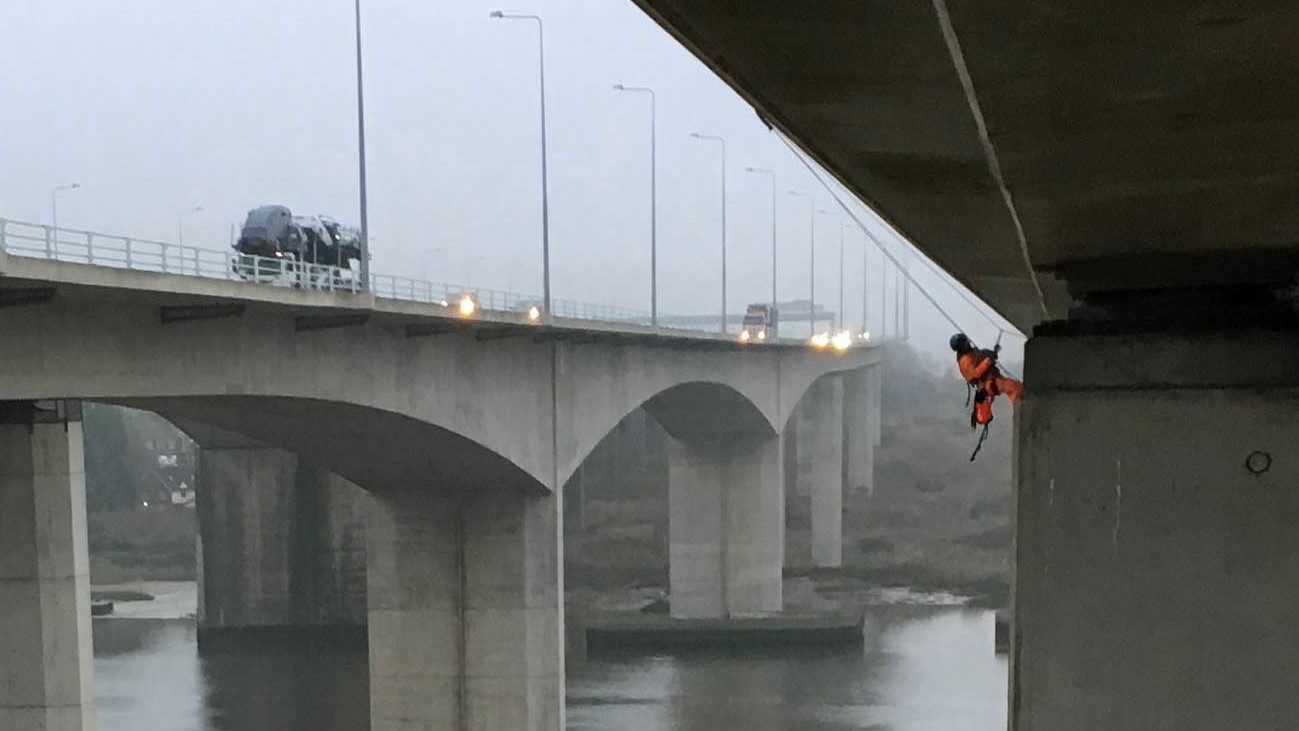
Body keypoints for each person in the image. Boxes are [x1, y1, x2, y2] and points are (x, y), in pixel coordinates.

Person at [950, 332, 1022, 408]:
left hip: (993, 377)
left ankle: (1022, 408)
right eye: (964, 341)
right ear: (961, 347)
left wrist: (993, 352)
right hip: (988, 383)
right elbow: (975, 374)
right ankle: (1022, 410)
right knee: (1013, 388)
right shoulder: (965, 360)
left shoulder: (972, 352)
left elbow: (982, 355)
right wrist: (988, 361)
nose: (967, 342)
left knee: (1017, 387)